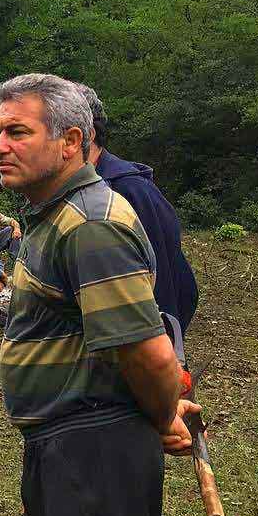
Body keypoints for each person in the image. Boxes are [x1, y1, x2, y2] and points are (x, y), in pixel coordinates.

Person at [0, 73, 201, 516]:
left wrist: (164, 413)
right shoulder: (58, 215)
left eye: (17, 132)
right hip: (67, 446)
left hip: (93, 453)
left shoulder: (91, 225)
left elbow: (149, 355)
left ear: (70, 142)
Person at [79, 84, 199, 331]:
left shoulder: (130, 192)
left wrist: (160, 354)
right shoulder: (69, 193)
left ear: (85, 135)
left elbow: (169, 283)